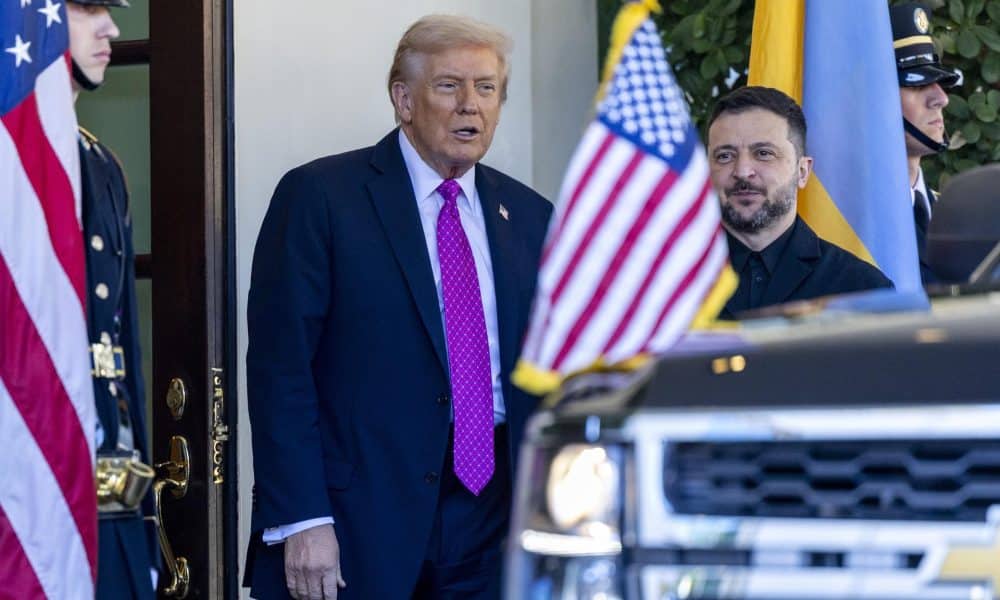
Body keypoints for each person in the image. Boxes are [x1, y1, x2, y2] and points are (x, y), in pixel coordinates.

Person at [244, 14, 552, 600]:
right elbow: (282, 370)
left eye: (486, 88)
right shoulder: (321, 197)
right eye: (449, 86)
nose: (471, 106)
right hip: (360, 520)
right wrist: (304, 518)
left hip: (494, 521)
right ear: (403, 100)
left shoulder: (531, 217)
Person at [69, 0, 159, 598]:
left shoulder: (99, 163)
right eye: (86, 7)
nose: (112, 28)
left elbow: (119, 346)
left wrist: (142, 519)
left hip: (109, 481)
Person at [706, 86, 893, 319]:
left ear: (802, 171)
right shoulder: (664, 281)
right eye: (725, 156)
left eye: (764, 153)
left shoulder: (862, 289)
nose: (743, 171)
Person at [889, 2, 962, 283]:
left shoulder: (952, 214)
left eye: (938, 84)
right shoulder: (848, 222)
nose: (941, 99)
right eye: (916, 85)